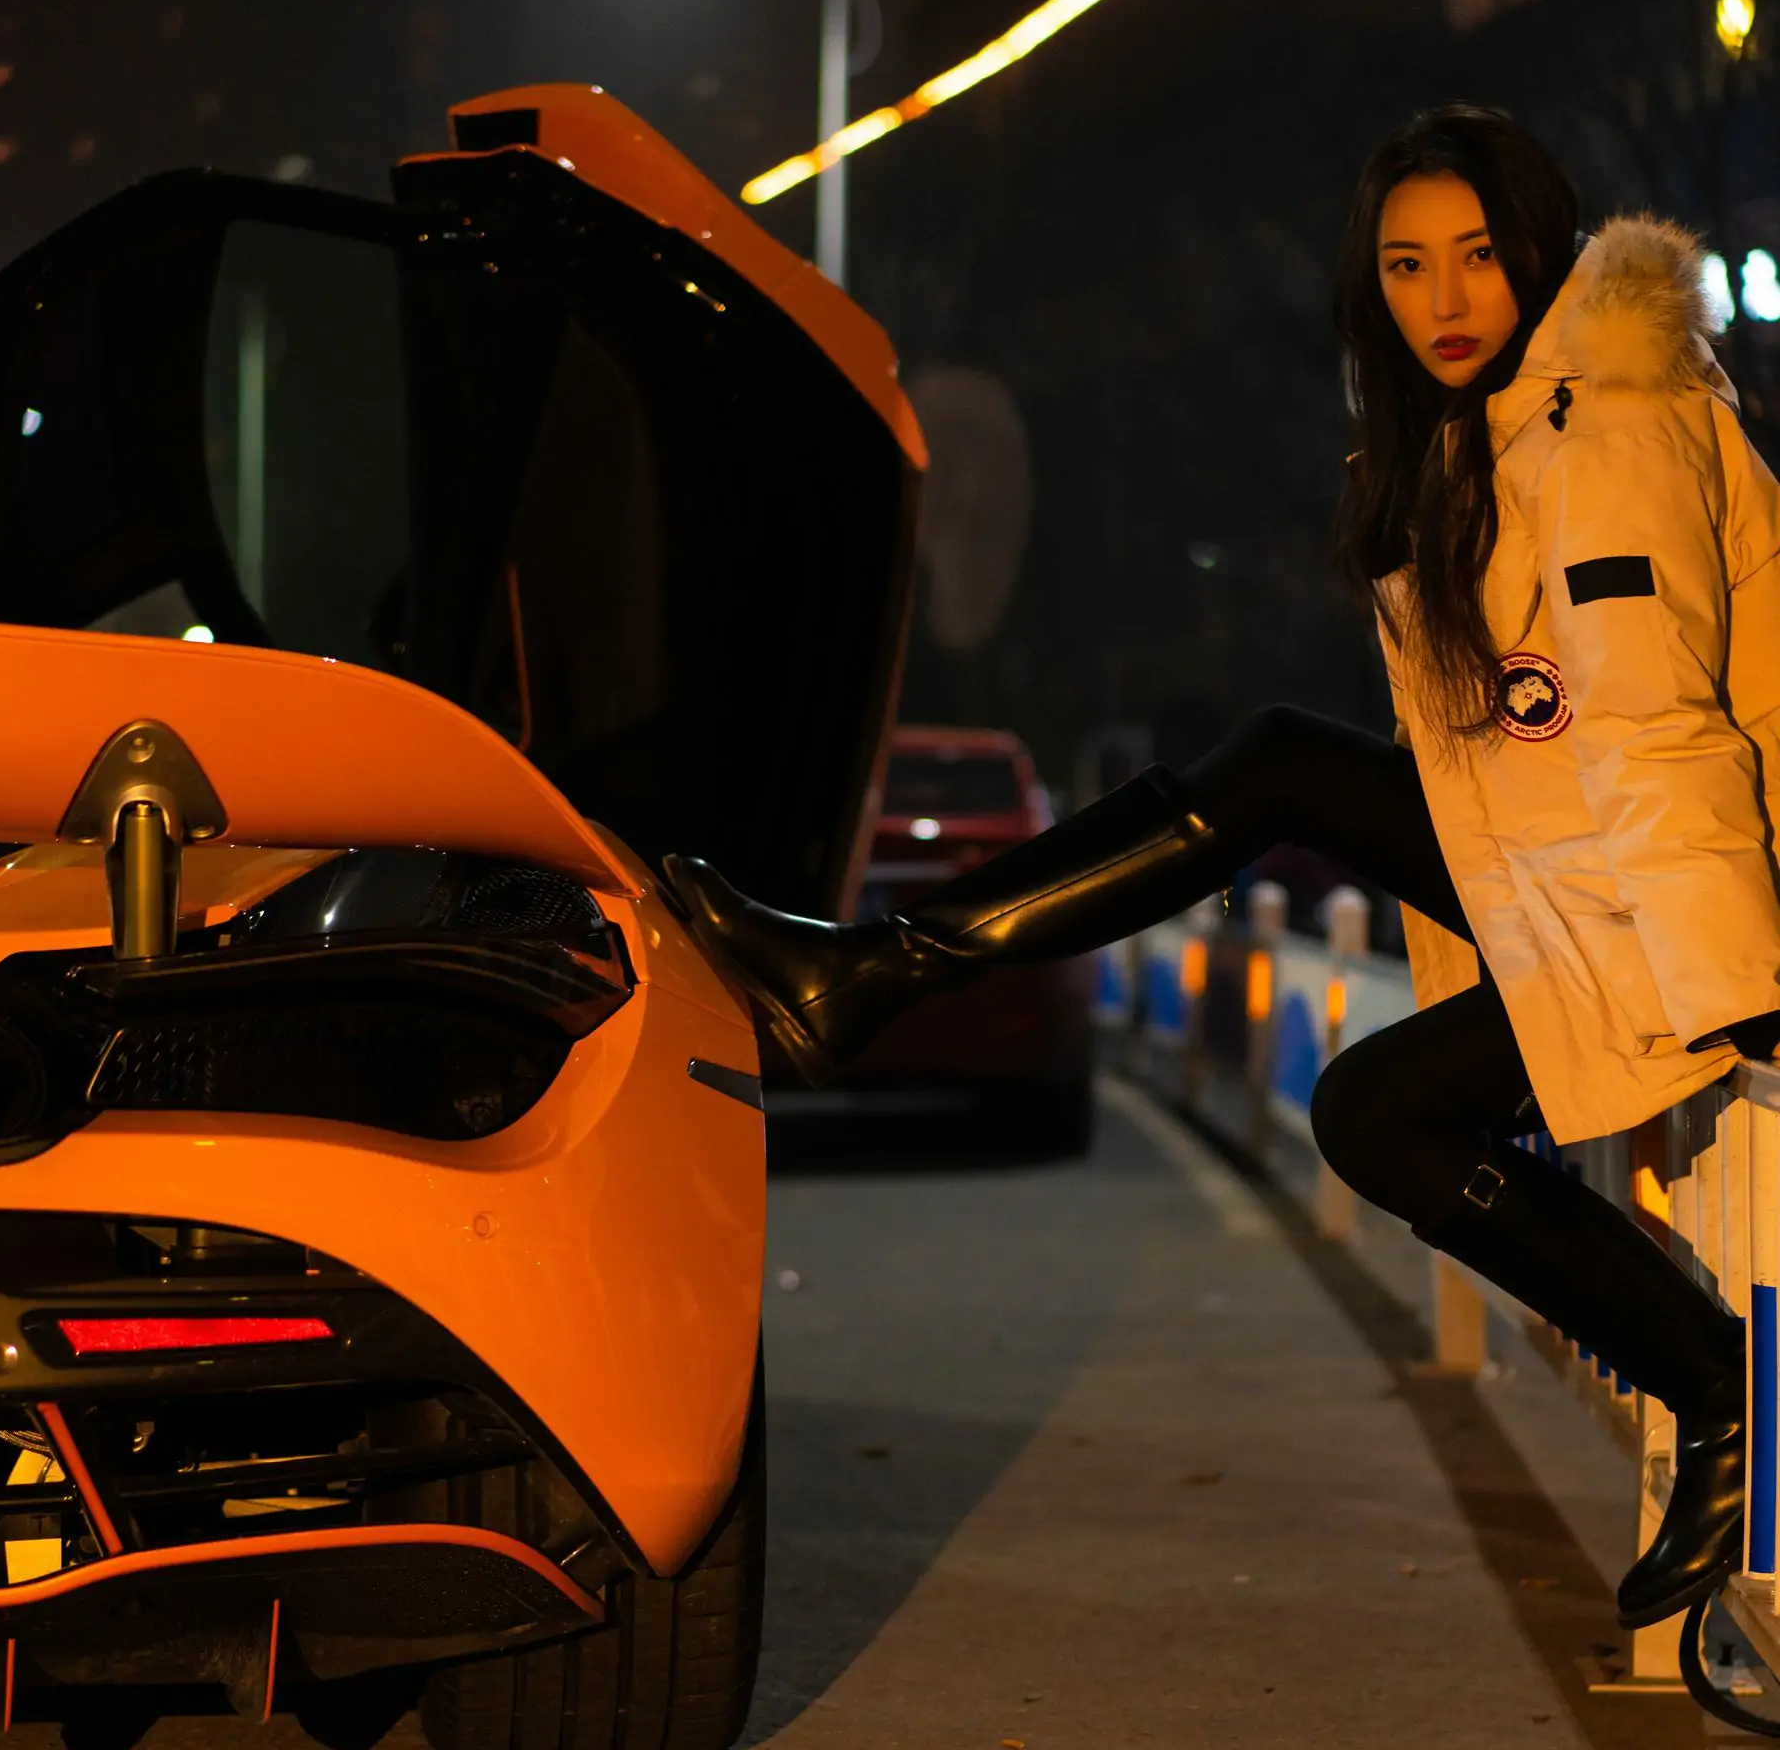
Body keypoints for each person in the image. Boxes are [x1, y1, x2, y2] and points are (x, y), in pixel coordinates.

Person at [667, 103, 1780, 1633]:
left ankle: (1721, 1388)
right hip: (1598, 870)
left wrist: (1739, 981)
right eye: (1405, 265)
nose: (1444, 299)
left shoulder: (1608, 426)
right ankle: (866, 972)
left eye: (1476, 255)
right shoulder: (1493, 433)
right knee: (1278, 771)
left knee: (1372, 1102)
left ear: (1538, 247)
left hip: (1689, 892)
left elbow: (1659, 725)